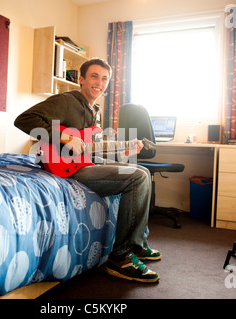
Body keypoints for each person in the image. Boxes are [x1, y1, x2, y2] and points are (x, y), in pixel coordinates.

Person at [14, 58, 161, 283]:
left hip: (83, 161)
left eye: (104, 79)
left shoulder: (96, 111)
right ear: (81, 79)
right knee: (138, 177)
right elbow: (23, 120)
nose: (99, 82)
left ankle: (138, 244)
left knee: (140, 171)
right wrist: (64, 137)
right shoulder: (66, 101)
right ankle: (120, 256)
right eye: (94, 76)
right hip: (65, 167)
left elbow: (89, 148)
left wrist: (126, 149)